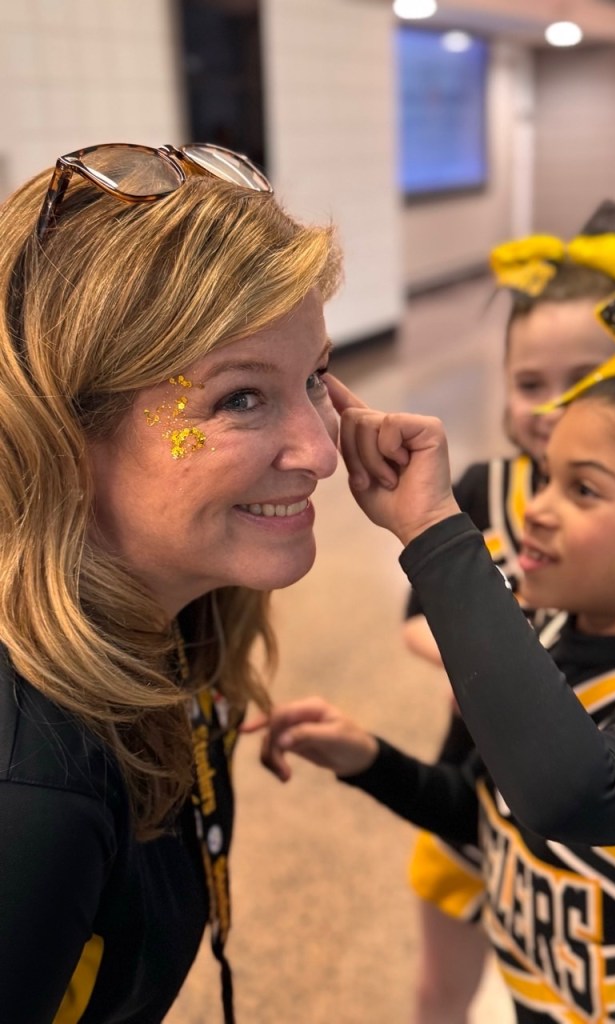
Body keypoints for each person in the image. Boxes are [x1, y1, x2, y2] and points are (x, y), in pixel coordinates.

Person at [262, 260, 615, 1024]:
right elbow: (498, 819)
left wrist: (434, 531)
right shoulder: (563, 636)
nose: (538, 508)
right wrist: (371, 760)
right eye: (549, 478)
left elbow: (569, 795)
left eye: (584, 488)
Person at [0, 142, 342, 1023]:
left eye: (315, 379)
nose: (322, 452)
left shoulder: (177, 624)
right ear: (60, 431)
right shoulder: (35, 792)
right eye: (240, 399)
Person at [403, 201, 615, 1024]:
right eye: (529, 383)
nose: (551, 406)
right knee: (441, 978)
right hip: (469, 784)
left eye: (585, 378)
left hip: (593, 803)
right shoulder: (479, 493)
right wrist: (489, 668)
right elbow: (417, 619)